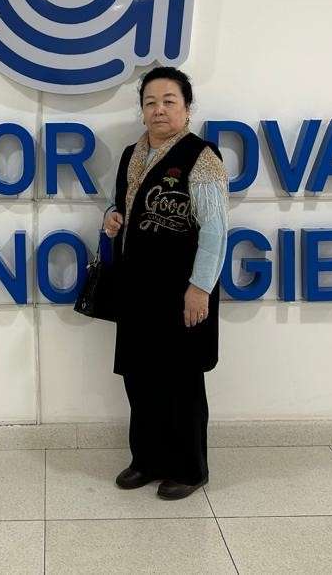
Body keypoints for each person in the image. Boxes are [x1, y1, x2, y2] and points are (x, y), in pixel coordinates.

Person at [102, 66, 228, 500]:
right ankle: (146, 460)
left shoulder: (202, 157)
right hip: (136, 289)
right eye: (150, 102)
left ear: (187, 108)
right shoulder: (131, 155)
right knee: (139, 378)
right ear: (141, 111)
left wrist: (201, 288)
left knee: (180, 382)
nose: (159, 109)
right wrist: (111, 217)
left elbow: (215, 229)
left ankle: (190, 469)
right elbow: (119, 203)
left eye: (169, 101)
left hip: (182, 291)